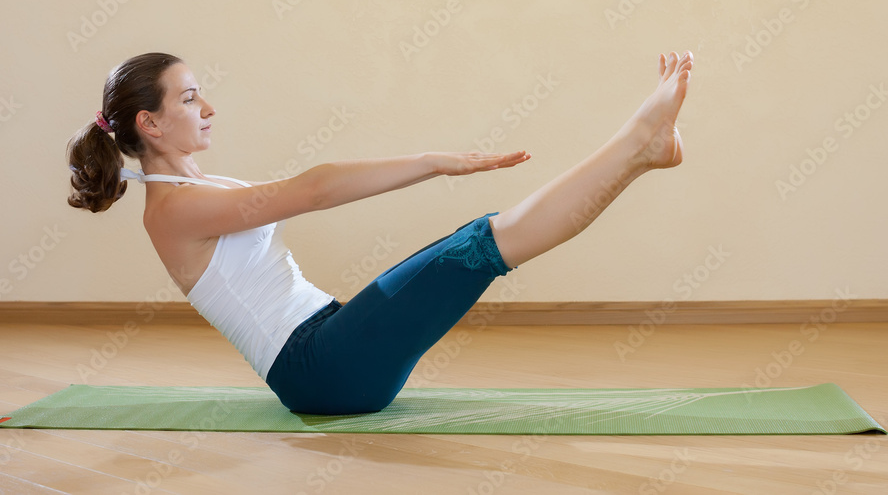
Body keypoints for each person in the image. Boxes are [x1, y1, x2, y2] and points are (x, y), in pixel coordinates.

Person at [66, 50, 693, 415]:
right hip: (320, 369)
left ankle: (644, 152)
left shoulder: (198, 188)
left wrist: (430, 164)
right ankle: (638, 145)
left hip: (329, 343)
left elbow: (310, 187)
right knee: (481, 245)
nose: (207, 109)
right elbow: (314, 190)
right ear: (149, 124)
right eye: (189, 99)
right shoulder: (172, 210)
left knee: (476, 242)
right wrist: (432, 163)